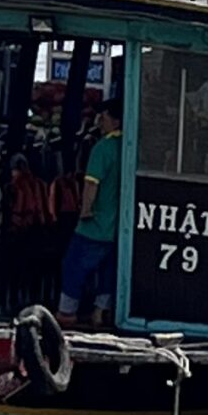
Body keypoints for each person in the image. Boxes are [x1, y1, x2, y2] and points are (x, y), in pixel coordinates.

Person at [57, 102, 124, 326]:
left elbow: (91, 184)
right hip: (115, 226)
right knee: (107, 271)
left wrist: (85, 210)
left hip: (94, 225)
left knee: (73, 265)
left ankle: (67, 313)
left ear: (115, 121)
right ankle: (100, 311)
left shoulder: (103, 148)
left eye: (103, 117)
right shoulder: (127, 148)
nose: (99, 122)